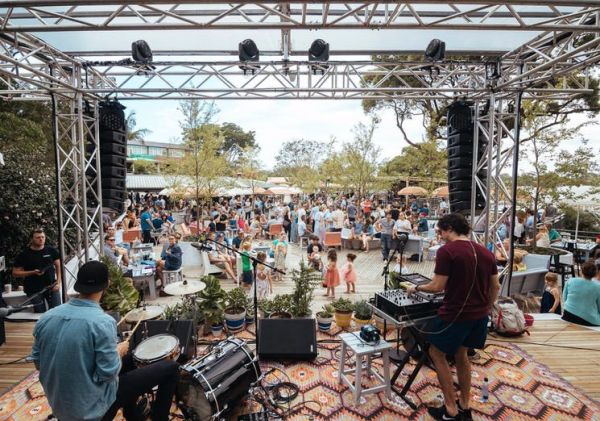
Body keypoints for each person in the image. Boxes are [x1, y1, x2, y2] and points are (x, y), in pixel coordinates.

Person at [31, 261, 179, 421]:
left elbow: (38, 363)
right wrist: (117, 352)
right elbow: (107, 374)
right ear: (107, 285)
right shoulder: (102, 322)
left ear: (78, 285)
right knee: (171, 368)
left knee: (132, 359)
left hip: (61, 404)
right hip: (93, 408)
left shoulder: (46, 317)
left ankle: (133, 414)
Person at [406, 213, 500, 421]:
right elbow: (496, 286)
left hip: (456, 314)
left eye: (440, 231)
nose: (439, 235)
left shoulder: (447, 251)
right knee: (461, 354)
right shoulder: (486, 252)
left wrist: (416, 287)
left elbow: (437, 286)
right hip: (480, 316)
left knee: (436, 352)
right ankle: (465, 406)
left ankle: (450, 410)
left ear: (450, 228)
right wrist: (486, 306)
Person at [13, 229, 61, 313]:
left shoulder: (51, 250)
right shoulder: (24, 254)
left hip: (51, 286)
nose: (41, 239)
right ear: (32, 239)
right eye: (38, 237)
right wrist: (32, 272)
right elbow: (15, 273)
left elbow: (59, 267)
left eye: (43, 237)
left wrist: (58, 282)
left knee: (57, 311)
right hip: (33, 289)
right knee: (40, 313)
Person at [562, 261, 600, 326]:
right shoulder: (598, 286)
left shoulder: (570, 281)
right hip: (588, 319)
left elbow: (564, 298)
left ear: (582, 271)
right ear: (595, 273)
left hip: (568, 314)